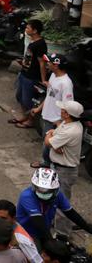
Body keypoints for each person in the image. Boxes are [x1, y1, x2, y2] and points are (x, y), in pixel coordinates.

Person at [16, 168, 92, 245]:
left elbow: (71, 213)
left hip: (44, 230)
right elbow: (38, 221)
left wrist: (87, 228)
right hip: (27, 232)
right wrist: (51, 241)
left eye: (48, 191)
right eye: (40, 190)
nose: (43, 193)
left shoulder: (58, 195)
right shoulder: (27, 196)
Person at [44, 100, 84, 234]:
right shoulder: (68, 123)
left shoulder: (71, 131)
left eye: (63, 110)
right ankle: (52, 224)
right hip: (58, 168)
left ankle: (62, 235)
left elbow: (48, 142)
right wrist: (52, 137)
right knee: (51, 198)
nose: (60, 111)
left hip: (64, 172)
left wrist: (50, 137)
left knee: (62, 205)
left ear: (67, 114)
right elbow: (53, 134)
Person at [32, 55, 74, 169]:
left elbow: (67, 106)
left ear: (56, 65)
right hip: (47, 116)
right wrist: (39, 109)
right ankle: (47, 163)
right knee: (46, 143)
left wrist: (60, 123)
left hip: (55, 121)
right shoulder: (53, 77)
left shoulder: (66, 84)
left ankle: (48, 165)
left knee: (49, 145)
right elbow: (50, 96)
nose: (47, 64)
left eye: (49, 62)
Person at [12, 19, 48, 129]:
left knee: (28, 100)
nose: (26, 29)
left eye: (28, 28)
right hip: (24, 73)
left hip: (31, 76)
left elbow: (42, 63)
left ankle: (31, 121)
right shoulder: (32, 41)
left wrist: (43, 79)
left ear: (35, 30)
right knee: (19, 96)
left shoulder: (40, 44)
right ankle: (25, 116)